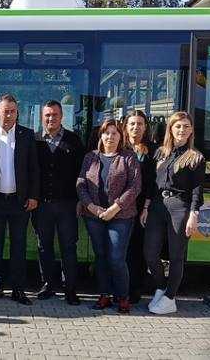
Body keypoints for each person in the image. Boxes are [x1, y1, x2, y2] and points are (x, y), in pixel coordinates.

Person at [77, 119, 140, 314]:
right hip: (94, 215)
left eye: (114, 133)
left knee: (116, 258)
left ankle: (122, 297)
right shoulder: (90, 157)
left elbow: (135, 187)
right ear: (101, 136)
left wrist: (115, 208)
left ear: (121, 136)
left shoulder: (128, 157)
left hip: (121, 217)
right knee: (101, 256)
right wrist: (93, 207)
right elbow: (81, 183)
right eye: (106, 133)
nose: (110, 137)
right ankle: (104, 295)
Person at [145, 112, 205, 315]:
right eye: (178, 126)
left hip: (180, 207)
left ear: (191, 131)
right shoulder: (160, 152)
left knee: (176, 255)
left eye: (187, 126)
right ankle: (161, 287)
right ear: (171, 128)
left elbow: (197, 190)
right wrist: (145, 207)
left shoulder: (196, 157)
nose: (183, 130)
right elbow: (151, 184)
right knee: (150, 253)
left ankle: (170, 298)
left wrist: (193, 214)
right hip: (157, 206)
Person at [0, 94, 39, 305]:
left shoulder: (27, 135)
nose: (8, 115)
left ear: (17, 113)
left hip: (20, 201)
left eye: (12, 111)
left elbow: (34, 168)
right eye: (4, 111)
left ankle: (18, 289)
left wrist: (34, 196)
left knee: (19, 246)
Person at [32, 100, 84, 306]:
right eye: (47, 115)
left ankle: (70, 289)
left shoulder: (74, 141)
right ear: (41, 117)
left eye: (55, 115)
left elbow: (83, 173)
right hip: (42, 205)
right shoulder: (34, 140)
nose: (51, 118)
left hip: (68, 205)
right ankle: (48, 285)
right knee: (44, 246)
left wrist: (81, 200)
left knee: (68, 247)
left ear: (62, 117)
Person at [123, 110, 157, 304]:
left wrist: (146, 207)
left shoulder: (153, 150)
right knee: (122, 249)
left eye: (140, 124)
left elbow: (153, 182)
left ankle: (135, 290)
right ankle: (120, 288)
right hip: (121, 206)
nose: (136, 127)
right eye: (132, 124)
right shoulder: (120, 147)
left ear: (146, 127)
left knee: (138, 249)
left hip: (142, 207)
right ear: (126, 127)